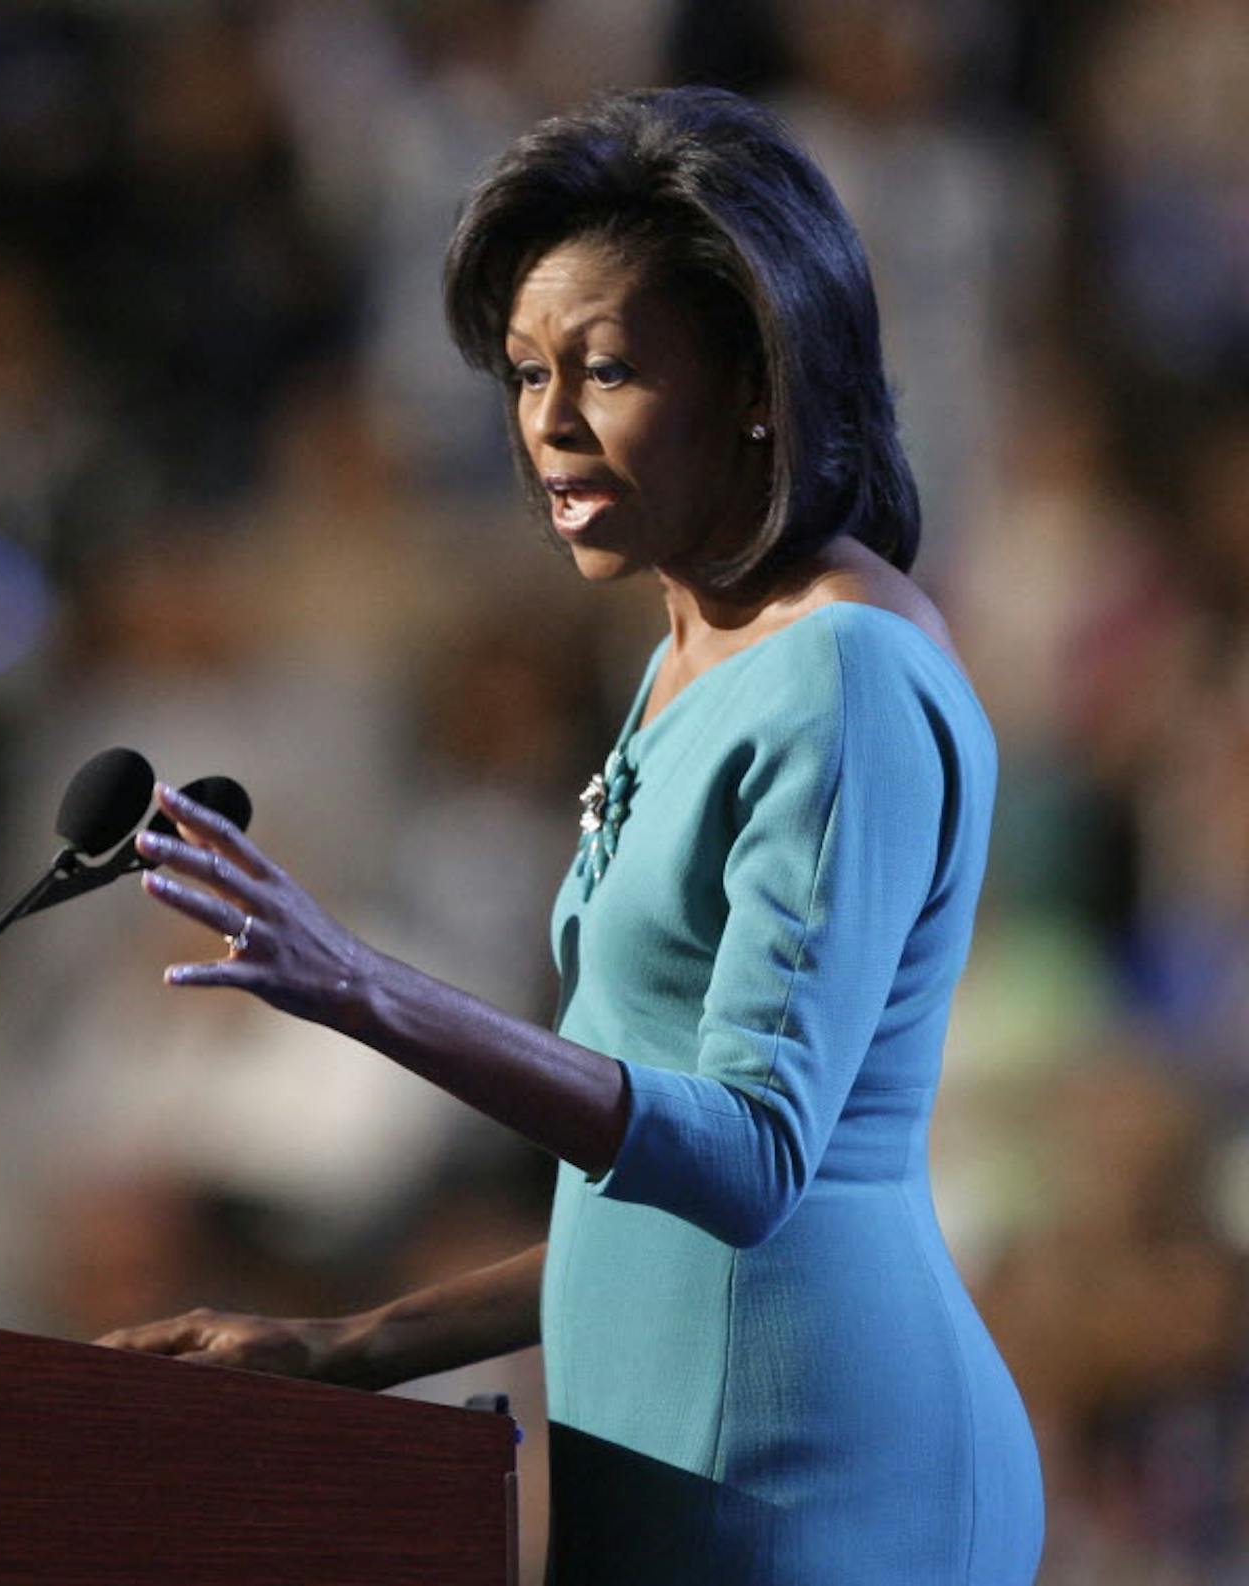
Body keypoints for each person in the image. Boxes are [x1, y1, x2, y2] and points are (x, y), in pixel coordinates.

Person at [97, 87, 1045, 1584]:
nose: (547, 422)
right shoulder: (687, 653)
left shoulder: (844, 673)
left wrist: (363, 987)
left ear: (755, 376)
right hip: (657, 1444)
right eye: (528, 372)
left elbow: (745, 1159)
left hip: (813, 1468)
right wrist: (355, 1343)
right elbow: (636, 1206)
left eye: (605, 369)